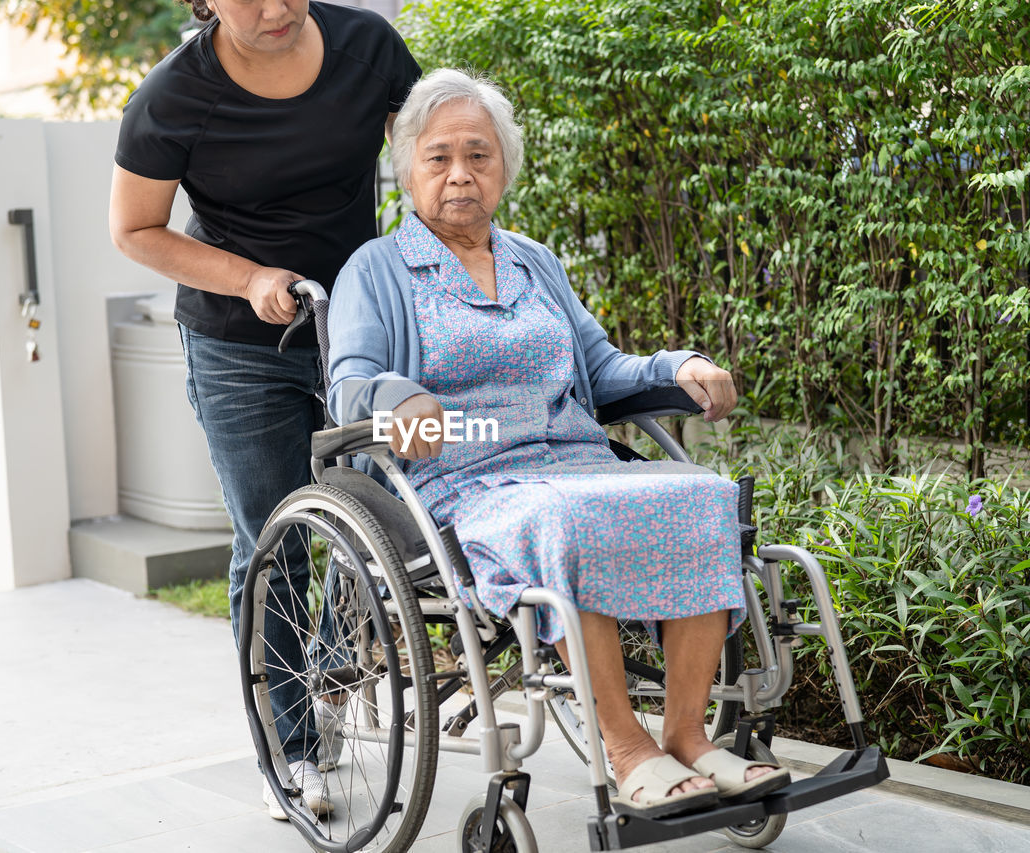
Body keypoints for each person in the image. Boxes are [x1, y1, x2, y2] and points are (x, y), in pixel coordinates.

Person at [326, 68, 791, 818]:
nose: (460, 176)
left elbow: (601, 369)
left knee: (704, 494)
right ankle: (628, 749)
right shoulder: (376, 271)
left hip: (575, 462)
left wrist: (680, 366)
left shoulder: (533, 260)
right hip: (465, 481)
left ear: (503, 166)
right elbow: (350, 383)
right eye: (439, 157)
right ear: (408, 168)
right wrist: (399, 397)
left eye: (478, 156)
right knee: (563, 522)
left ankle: (688, 734)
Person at [107, 0, 419, 821]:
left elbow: (426, 152)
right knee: (276, 538)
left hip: (360, 326)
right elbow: (135, 228)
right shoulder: (174, 95)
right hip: (241, 343)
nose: (277, 9)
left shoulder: (367, 46)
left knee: (378, 524)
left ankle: (329, 672)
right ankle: (292, 747)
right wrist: (250, 278)